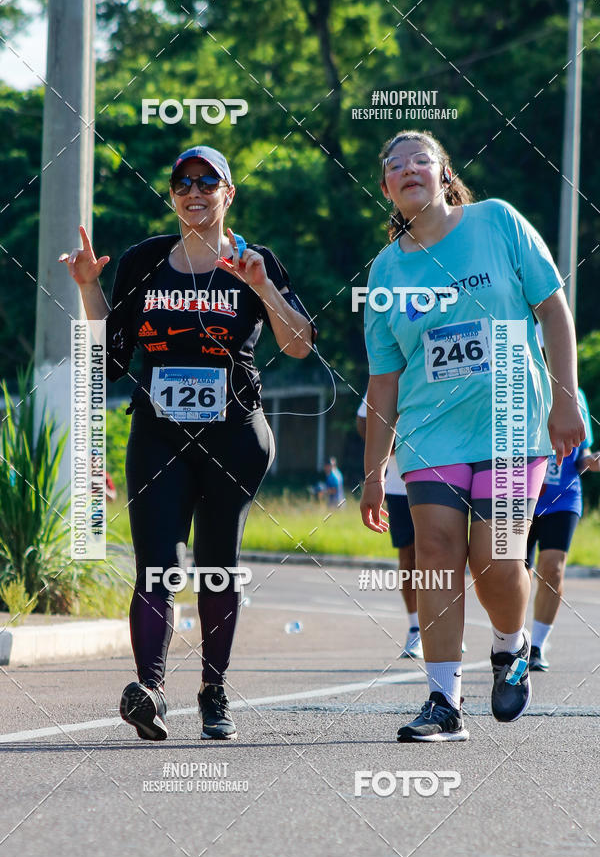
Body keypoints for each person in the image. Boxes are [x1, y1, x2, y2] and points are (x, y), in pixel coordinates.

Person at [62, 145, 314, 741]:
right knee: (156, 565)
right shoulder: (144, 261)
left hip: (235, 435)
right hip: (158, 434)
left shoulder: (254, 260)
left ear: (229, 193)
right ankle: (149, 691)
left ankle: (213, 691)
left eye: (208, 182)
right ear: (172, 195)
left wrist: (262, 287)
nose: (194, 192)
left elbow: (300, 344)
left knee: (217, 566)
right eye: (183, 183)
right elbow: (109, 362)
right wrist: (88, 289)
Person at [360, 129, 585, 742]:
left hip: (510, 414)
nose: (409, 169)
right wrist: (374, 471)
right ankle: (444, 702)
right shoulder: (385, 270)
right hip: (431, 431)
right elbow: (383, 380)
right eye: (396, 165)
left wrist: (566, 400)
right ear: (386, 187)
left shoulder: (496, 222)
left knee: (497, 561)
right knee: (435, 555)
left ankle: (510, 647)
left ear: (444, 174)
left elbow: (553, 308)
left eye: (421, 160)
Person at [527, 383, 599, 670]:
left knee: (553, 569)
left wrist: (592, 461)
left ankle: (536, 646)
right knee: (514, 573)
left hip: (563, 499)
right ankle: (512, 642)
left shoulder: (576, 395)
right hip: (521, 496)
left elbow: (582, 457)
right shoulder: (519, 386)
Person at [357, 397, 421, 658]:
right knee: (408, 558)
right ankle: (416, 628)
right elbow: (363, 420)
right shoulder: (389, 375)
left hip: (442, 477)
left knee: (445, 555)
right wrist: (393, 445)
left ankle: (445, 624)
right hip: (398, 485)